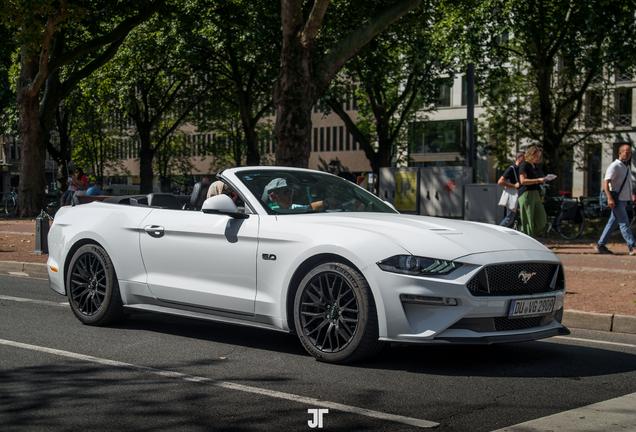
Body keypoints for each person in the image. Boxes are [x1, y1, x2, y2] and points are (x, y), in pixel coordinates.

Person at [596, 144, 636, 255]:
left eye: (629, 153)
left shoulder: (627, 166)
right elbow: (605, 182)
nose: (628, 155)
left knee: (612, 223)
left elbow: (627, 184)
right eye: (626, 153)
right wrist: (609, 198)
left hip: (624, 199)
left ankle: (601, 245)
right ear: (620, 153)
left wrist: (632, 194)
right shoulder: (614, 166)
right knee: (624, 222)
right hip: (617, 200)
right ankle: (632, 247)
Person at [518, 146, 548, 237]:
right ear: (531, 155)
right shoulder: (525, 165)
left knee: (542, 220)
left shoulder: (534, 166)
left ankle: (527, 237)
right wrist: (538, 180)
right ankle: (527, 239)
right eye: (536, 156)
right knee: (528, 221)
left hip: (535, 194)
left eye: (539, 156)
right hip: (527, 194)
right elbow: (522, 181)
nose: (538, 158)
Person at [262, 178, 330, 211]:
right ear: (273, 196)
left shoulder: (293, 208)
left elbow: (310, 208)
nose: (291, 194)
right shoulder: (265, 212)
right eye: (287, 192)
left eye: (292, 191)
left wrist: (326, 202)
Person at [498, 151, 525, 227]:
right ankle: (497, 231)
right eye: (524, 158)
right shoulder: (512, 168)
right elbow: (500, 181)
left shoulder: (523, 168)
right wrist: (514, 186)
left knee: (514, 220)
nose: (525, 160)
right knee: (509, 219)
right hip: (514, 196)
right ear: (518, 158)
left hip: (520, 195)